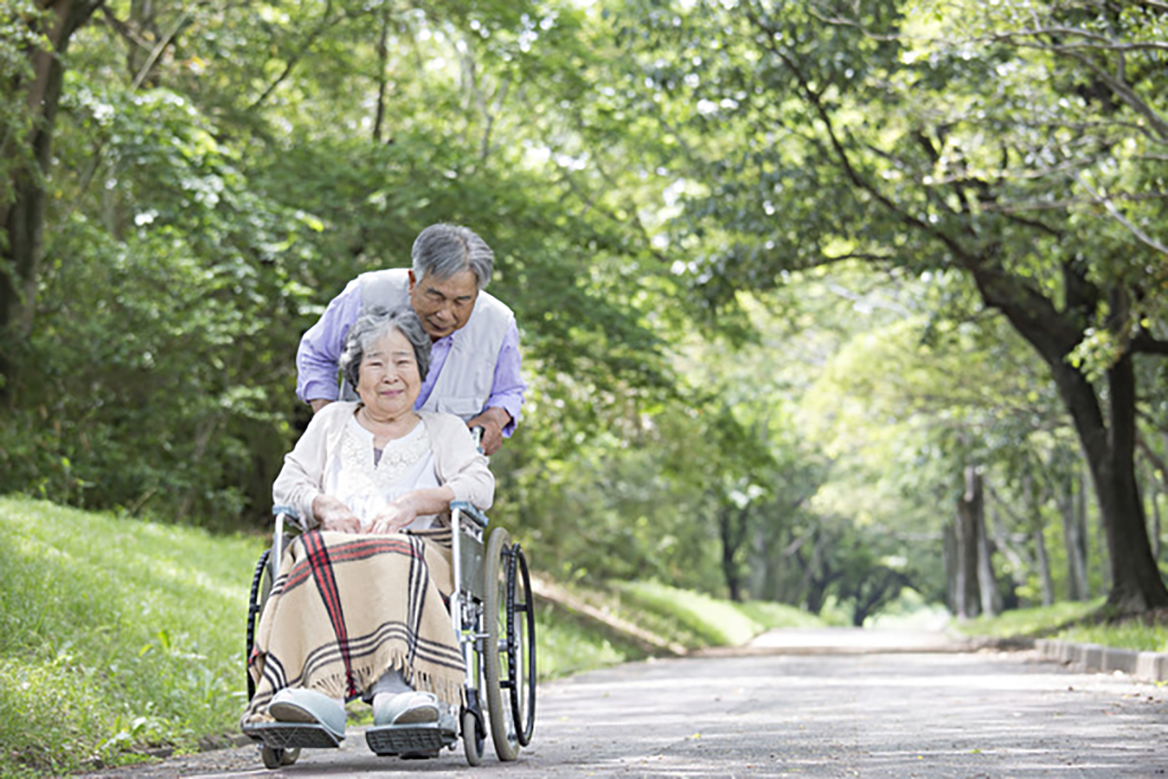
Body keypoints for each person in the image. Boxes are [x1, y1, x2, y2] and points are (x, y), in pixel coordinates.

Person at [243, 306, 494, 753]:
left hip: (416, 551)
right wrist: (322, 503)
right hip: (333, 549)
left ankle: (396, 691)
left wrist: (418, 500)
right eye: (375, 363)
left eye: (402, 362)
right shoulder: (332, 422)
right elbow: (289, 482)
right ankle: (318, 693)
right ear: (355, 376)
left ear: (421, 372)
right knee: (310, 554)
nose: (390, 374)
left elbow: (479, 485)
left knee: (394, 552)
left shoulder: (444, 429)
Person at [296, 223, 525, 455]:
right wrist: (327, 418)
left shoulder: (499, 323)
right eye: (435, 296)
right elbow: (316, 355)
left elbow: (509, 391)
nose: (445, 313)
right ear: (413, 280)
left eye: (461, 302)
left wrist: (494, 419)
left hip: (445, 474)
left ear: (476, 293)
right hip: (357, 459)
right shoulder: (366, 295)